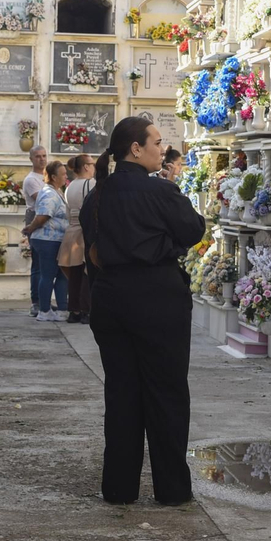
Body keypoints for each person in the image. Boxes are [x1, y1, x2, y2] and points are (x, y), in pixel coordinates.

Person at [81, 117, 205, 506]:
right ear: (136, 149)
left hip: (110, 299)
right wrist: (165, 244)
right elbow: (194, 229)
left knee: (121, 392)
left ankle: (119, 488)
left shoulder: (96, 196)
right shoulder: (160, 192)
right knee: (166, 392)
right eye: (157, 142)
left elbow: (93, 251)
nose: (162, 149)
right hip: (157, 298)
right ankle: (172, 489)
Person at [24, 159, 68, 322]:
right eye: (63, 174)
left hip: (56, 239)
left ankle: (62, 308)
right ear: (53, 177)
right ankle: (44, 310)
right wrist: (30, 228)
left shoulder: (57, 191)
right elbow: (43, 216)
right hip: (48, 239)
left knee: (61, 274)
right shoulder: (49, 193)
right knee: (48, 275)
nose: (66, 177)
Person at [58, 154, 96, 324]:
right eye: (92, 164)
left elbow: (67, 212)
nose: (94, 167)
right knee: (87, 273)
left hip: (71, 231)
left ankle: (74, 311)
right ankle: (86, 310)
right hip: (84, 231)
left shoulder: (70, 186)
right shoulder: (91, 184)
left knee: (75, 274)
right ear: (86, 167)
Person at [22, 145, 48, 317]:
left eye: (44, 156)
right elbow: (43, 200)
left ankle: (46, 300)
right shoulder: (31, 180)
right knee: (38, 265)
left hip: (49, 220)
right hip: (36, 218)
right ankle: (36, 302)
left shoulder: (47, 177)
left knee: (48, 266)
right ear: (31, 159)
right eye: (38, 156)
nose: (42, 159)